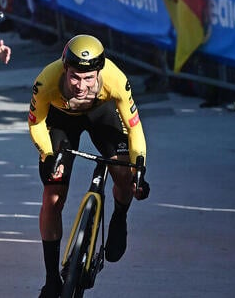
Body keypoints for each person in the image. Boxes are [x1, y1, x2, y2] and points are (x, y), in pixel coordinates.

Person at [29, 35, 149, 298]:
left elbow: (134, 128)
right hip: (62, 120)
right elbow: (36, 123)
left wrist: (139, 166)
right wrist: (48, 155)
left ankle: (120, 216)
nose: (81, 85)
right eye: (74, 77)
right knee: (53, 196)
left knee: (123, 173)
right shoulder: (46, 79)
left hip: (102, 114)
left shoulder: (116, 79)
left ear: (99, 72)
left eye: (88, 78)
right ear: (64, 68)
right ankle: (51, 279)